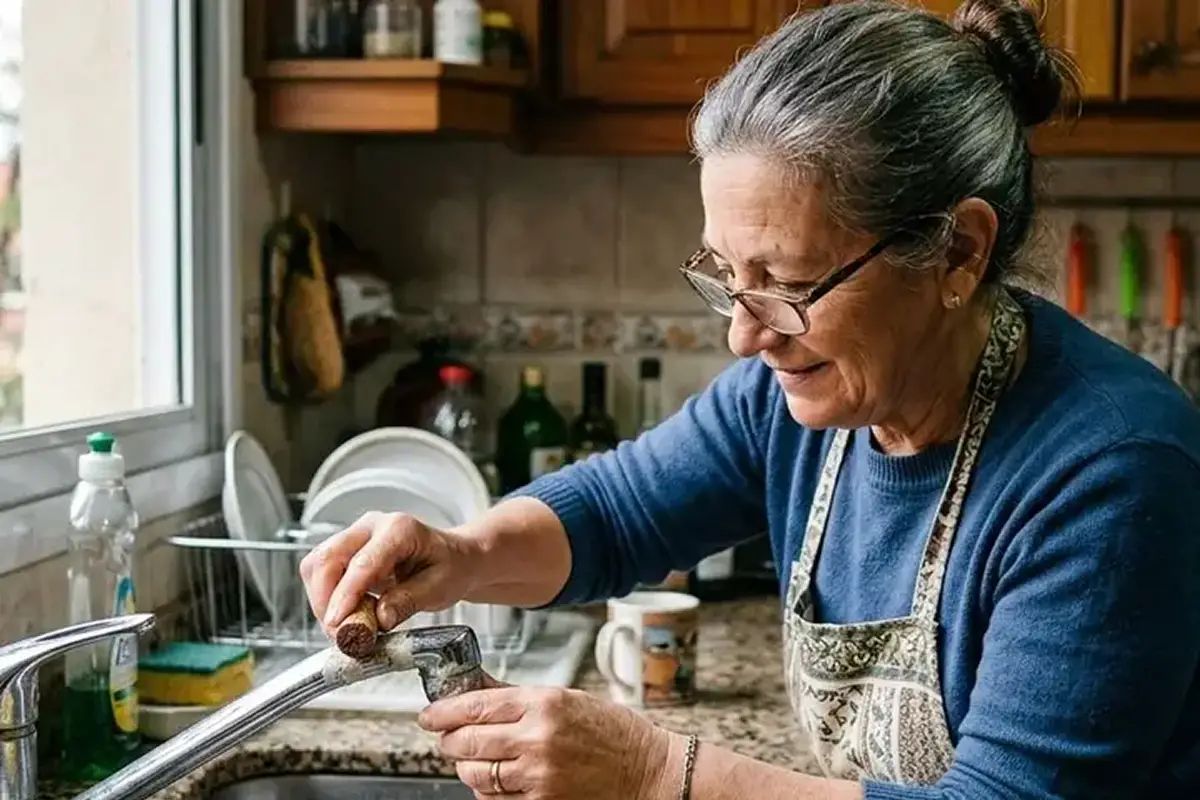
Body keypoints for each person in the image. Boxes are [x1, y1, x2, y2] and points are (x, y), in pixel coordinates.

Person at [300, 1, 1200, 797]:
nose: (744, 333)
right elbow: (619, 515)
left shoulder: (1112, 477)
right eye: (726, 277)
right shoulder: (803, 401)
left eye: (790, 283)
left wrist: (656, 774)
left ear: (959, 252)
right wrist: (459, 554)